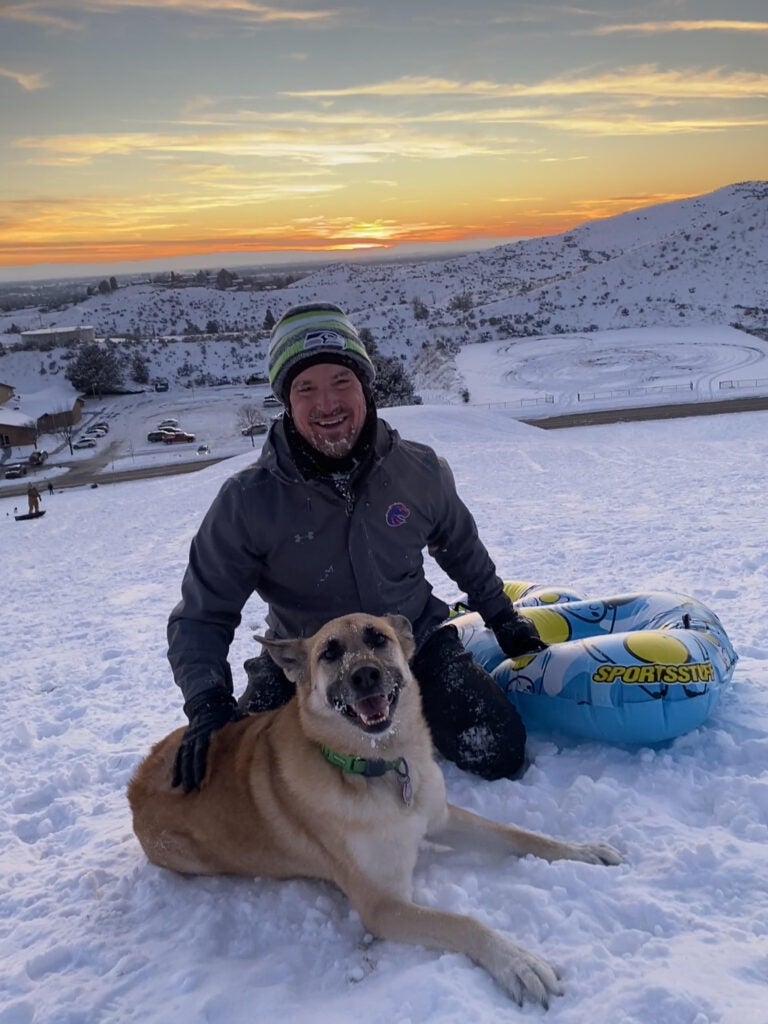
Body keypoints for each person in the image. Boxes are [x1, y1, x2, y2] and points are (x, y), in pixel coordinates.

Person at [168, 302, 547, 793]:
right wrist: (207, 703)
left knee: (494, 747)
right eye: (306, 388)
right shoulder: (247, 501)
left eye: (340, 382)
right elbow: (202, 613)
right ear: (287, 401)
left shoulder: (419, 470)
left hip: (411, 646)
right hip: (308, 661)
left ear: (366, 387)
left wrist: (503, 619)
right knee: (234, 775)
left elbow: (461, 550)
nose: (327, 404)